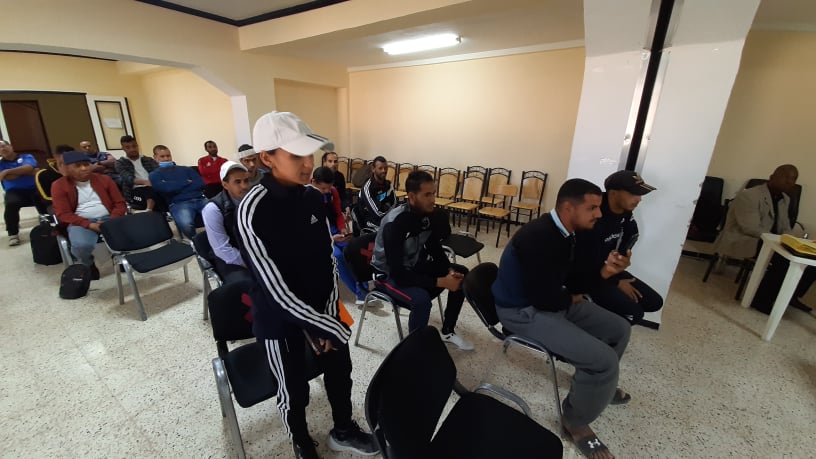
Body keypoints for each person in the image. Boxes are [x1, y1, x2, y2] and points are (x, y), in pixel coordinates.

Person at [235, 111, 378, 459]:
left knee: (340, 370)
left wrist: (327, 318)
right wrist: (323, 326)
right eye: (296, 155)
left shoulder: (313, 197)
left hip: (322, 308)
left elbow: (326, 260)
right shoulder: (252, 210)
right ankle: (301, 441)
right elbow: (275, 289)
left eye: (309, 154)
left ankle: (343, 429)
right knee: (293, 389)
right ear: (267, 158)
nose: (308, 163)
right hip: (278, 317)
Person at [492, 178, 631, 459]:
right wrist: (570, 298)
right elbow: (544, 299)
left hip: (550, 299)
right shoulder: (539, 237)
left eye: (599, 207)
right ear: (568, 208)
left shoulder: (567, 232)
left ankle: (593, 388)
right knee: (604, 361)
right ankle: (575, 422)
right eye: (592, 208)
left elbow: (571, 280)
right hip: (521, 311)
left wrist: (606, 272)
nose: (599, 213)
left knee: (620, 329)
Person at [370, 170, 474, 350]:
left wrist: (449, 271)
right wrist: (441, 281)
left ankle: (447, 331)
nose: (433, 199)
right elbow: (398, 274)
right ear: (411, 196)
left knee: (460, 273)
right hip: (386, 274)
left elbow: (434, 247)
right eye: (427, 195)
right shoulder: (395, 223)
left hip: (410, 266)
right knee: (422, 300)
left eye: (433, 193)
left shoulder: (426, 214)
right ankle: (415, 350)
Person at [568, 170, 664, 325]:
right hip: (586, 274)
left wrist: (620, 260)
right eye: (633, 194)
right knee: (634, 315)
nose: (639, 199)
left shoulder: (625, 212)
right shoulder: (592, 214)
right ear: (613, 193)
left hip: (608, 269)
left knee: (654, 302)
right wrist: (615, 282)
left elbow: (631, 235)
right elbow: (582, 261)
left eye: (640, 194)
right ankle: (585, 306)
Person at [715, 164, 815, 311]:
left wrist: (793, 242)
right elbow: (749, 227)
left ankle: (791, 296)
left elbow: (785, 227)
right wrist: (777, 240)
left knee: (810, 259)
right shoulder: (749, 195)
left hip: (771, 240)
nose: (789, 182)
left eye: (793, 179)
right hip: (746, 238)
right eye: (785, 177)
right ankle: (761, 301)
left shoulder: (785, 199)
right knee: (782, 259)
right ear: (772, 177)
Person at [51, 151, 126, 279]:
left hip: (109, 218)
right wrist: (89, 224)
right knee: (81, 246)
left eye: (86, 164)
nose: (84, 168)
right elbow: (63, 213)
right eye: (78, 166)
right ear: (68, 168)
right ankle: (88, 264)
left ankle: (120, 258)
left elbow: (120, 203)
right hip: (80, 221)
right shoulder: (59, 185)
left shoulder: (104, 179)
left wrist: (111, 220)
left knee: (130, 235)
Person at [308, 166, 368, 305]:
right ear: (313, 182)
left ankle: (364, 292)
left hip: (334, 231)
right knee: (337, 256)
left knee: (355, 250)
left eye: (329, 187)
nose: (327, 191)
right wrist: (330, 239)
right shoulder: (305, 197)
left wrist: (343, 229)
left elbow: (338, 214)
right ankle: (358, 292)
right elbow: (308, 231)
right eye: (323, 188)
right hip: (318, 237)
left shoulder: (333, 192)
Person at [201, 160, 253, 284]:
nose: (244, 186)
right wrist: (252, 263)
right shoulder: (213, 209)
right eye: (237, 182)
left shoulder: (252, 200)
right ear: (225, 185)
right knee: (250, 286)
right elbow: (223, 249)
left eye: (246, 181)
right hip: (232, 259)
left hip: (252, 251)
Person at [149, 145, 207, 240]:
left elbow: (200, 183)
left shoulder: (186, 169)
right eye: (162, 156)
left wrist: (172, 185)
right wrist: (186, 182)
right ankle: (196, 241)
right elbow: (163, 188)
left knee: (220, 213)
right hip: (178, 203)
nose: (166, 159)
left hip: (200, 198)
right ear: (155, 158)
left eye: (168, 155)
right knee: (186, 224)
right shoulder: (154, 175)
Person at [0, 140, 48, 246]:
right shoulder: (1, 164)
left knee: (43, 198)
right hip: (14, 191)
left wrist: (7, 171)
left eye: (4, 146)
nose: (2, 149)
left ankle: (48, 224)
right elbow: (7, 177)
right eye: (0, 148)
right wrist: (27, 172)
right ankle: (13, 233)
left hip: (34, 188)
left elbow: (29, 167)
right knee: (11, 203)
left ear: (11, 146)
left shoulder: (27, 156)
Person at [115, 135, 161, 211]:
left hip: (152, 186)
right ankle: (149, 210)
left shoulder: (148, 160)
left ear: (137, 146)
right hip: (135, 190)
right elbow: (128, 178)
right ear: (123, 148)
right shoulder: (120, 163)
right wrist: (145, 182)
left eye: (134, 146)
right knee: (150, 191)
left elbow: (158, 172)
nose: (132, 149)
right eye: (128, 147)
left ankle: (150, 211)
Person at [356, 155, 395, 233]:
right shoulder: (367, 188)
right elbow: (377, 213)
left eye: (385, 168)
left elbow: (394, 204)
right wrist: (390, 211)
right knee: (392, 230)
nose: (384, 171)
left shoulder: (388, 185)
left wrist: (392, 212)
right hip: (370, 222)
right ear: (373, 169)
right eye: (380, 168)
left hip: (386, 218)